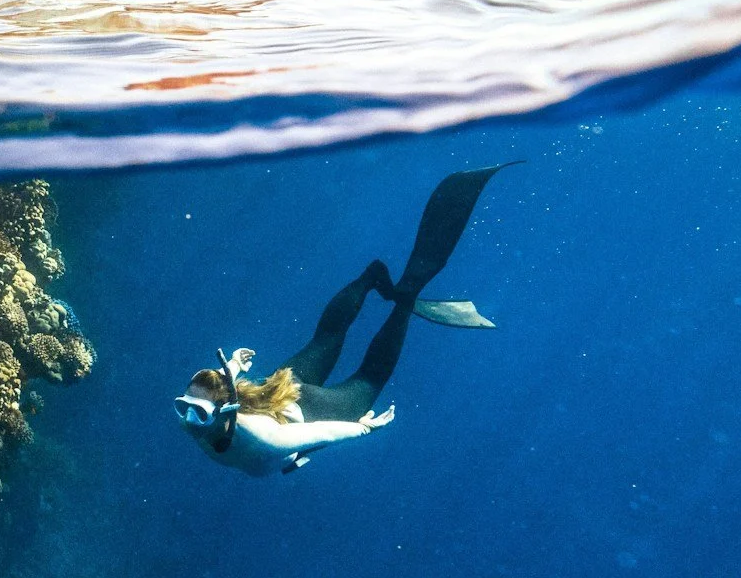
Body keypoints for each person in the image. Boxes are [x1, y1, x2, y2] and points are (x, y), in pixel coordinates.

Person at [173, 166, 510, 476]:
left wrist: (363, 428)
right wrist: (233, 365)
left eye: (197, 413)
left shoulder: (266, 439)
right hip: (276, 390)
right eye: (183, 407)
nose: (188, 420)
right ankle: (369, 278)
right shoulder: (214, 408)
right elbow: (219, 385)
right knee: (325, 338)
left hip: (312, 412)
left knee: (371, 377)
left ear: (226, 410)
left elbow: (324, 432)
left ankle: (406, 297)